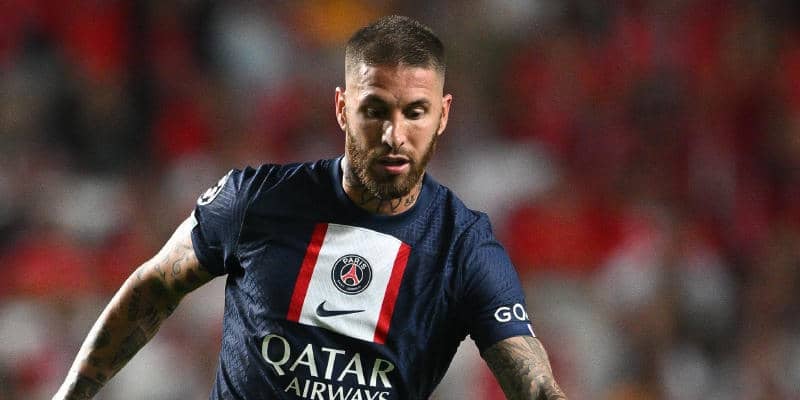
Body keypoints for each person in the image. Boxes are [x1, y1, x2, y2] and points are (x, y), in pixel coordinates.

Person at [54, 15, 567, 400]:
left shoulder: (463, 248)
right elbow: (152, 288)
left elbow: (535, 384)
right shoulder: (257, 200)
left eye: (416, 113)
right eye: (375, 110)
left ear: (443, 115)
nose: (394, 135)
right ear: (342, 108)